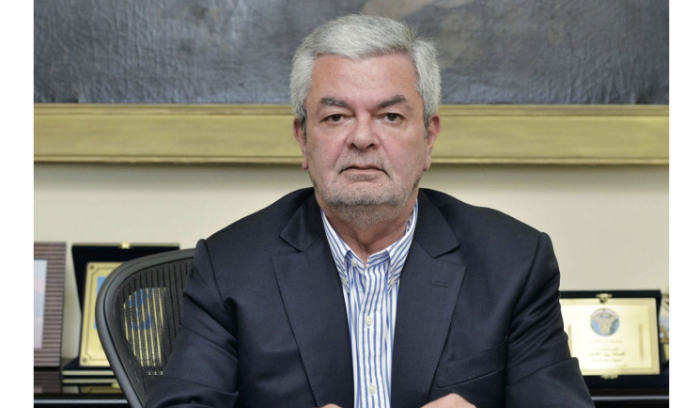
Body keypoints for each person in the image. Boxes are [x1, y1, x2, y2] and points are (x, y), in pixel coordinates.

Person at [147, 14, 594, 408]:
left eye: (390, 116)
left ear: (429, 138)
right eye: (336, 117)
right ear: (303, 139)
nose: (362, 138)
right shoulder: (230, 266)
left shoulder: (513, 263)